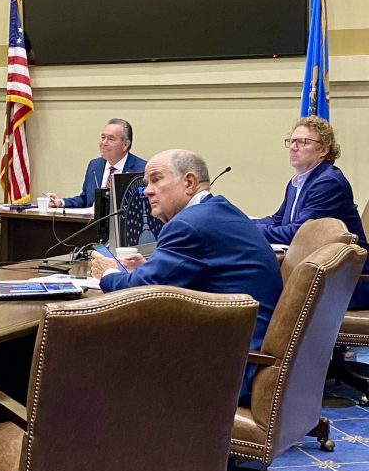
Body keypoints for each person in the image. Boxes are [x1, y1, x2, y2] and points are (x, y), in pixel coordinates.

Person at [90, 149, 282, 402]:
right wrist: (148, 267)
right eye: (146, 183)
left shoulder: (189, 224)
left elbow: (137, 292)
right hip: (243, 352)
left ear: (189, 182)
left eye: (156, 180)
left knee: (96, 349)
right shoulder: (217, 210)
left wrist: (108, 273)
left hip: (229, 368)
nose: (146, 191)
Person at [252, 116, 369, 307]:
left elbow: (298, 234)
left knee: (262, 290)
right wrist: (244, 223)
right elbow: (278, 220)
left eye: (303, 142)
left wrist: (250, 231)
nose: (293, 147)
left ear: (323, 150)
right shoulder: (297, 182)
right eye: (292, 141)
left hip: (347, 281)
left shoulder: (328, 183)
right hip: (319, 274)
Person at [47, 118, 146, 208]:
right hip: (93, 221)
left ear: (125, 145)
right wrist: (60, 202)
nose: (104, 143)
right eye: (103, 137)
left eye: (110, 139)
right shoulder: (95, 165)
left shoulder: (141, 169)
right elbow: (85, 199)